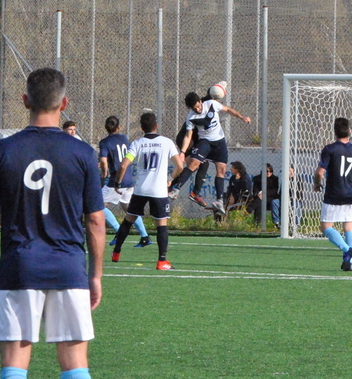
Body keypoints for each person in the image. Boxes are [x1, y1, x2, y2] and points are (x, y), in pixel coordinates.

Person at [0, 67, 105, 379]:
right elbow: (96, 220)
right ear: (64, 103)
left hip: (19, 267)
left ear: (26, 101)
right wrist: (96, 275)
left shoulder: (4, 150)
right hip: (68, 268)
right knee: (75, 365)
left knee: (14, 365)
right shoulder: (82, 153)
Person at [111, 112, 184, 270]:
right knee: (161, 224)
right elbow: (180, 166)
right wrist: (170, 178)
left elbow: (123, 165)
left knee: (128, 220)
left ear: (142, 127)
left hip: (140, 189)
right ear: (156, 125)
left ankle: (116, 252)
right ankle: (162, 261)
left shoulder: (137, 143)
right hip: (159, 191)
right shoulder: (167, 142)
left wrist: (117, 182)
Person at [170, 90, 250, 211]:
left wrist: (241, 117)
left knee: (221, 170)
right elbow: (188, 136)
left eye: (198, 106)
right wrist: (182, 152)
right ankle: (176, 189)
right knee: (193, 163)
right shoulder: (191, 117)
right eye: (194, 108)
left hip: (219, 142)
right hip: (205, 142)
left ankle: (219, 201)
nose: (197, 109)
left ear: (200, 101)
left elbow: (228, 110)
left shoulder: (211, 104)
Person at [315, 117, 352, 271]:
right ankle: (349, 263)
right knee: (348, 227)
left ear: (335, 132)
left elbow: (319, 172)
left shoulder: (329, 149)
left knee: (325, 227)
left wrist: (316, 184)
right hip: (350, 193)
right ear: (349, 131)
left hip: (334, 193)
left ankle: (346, 249)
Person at [97, 116, 151, 249]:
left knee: (98, 204)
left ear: (105, 127)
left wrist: (104, 173)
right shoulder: (124, 139)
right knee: (129, 209)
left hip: (117, 179)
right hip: (129, 178)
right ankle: (145, 236)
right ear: (119, 127)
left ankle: (118, 231)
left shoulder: (104, 142)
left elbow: (103, 161)